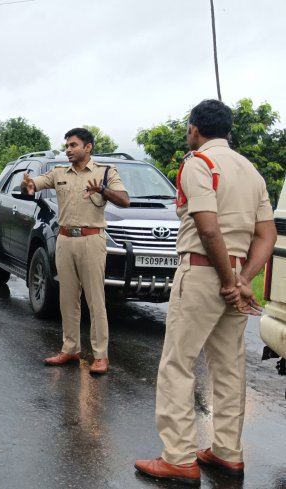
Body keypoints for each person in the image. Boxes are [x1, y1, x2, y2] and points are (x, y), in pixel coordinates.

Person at [135, 100, 275, 485]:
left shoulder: (199, 163)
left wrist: (230, 283)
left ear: (194, 129)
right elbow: (268, 235)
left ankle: (179, 458)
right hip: (237, 274)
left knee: (178, 364)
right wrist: (243, 279)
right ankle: (228, 452)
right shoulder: (250, 171)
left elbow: (208, 229)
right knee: (229, 367)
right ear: (228, 130)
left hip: (201, 273)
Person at [22, 127, 129, 374]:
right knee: (67, 298)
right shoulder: (59, 173)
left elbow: (124, 200)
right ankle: (70, 349)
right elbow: (31, 188)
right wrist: (26, 184)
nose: (68, 150)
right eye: (67, 146)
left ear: (88, 147)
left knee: (95, 299)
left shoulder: (105, 172)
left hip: (92, 240)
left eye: (73, 145)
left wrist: (102, 190)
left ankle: (101, 356)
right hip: (64, 239)